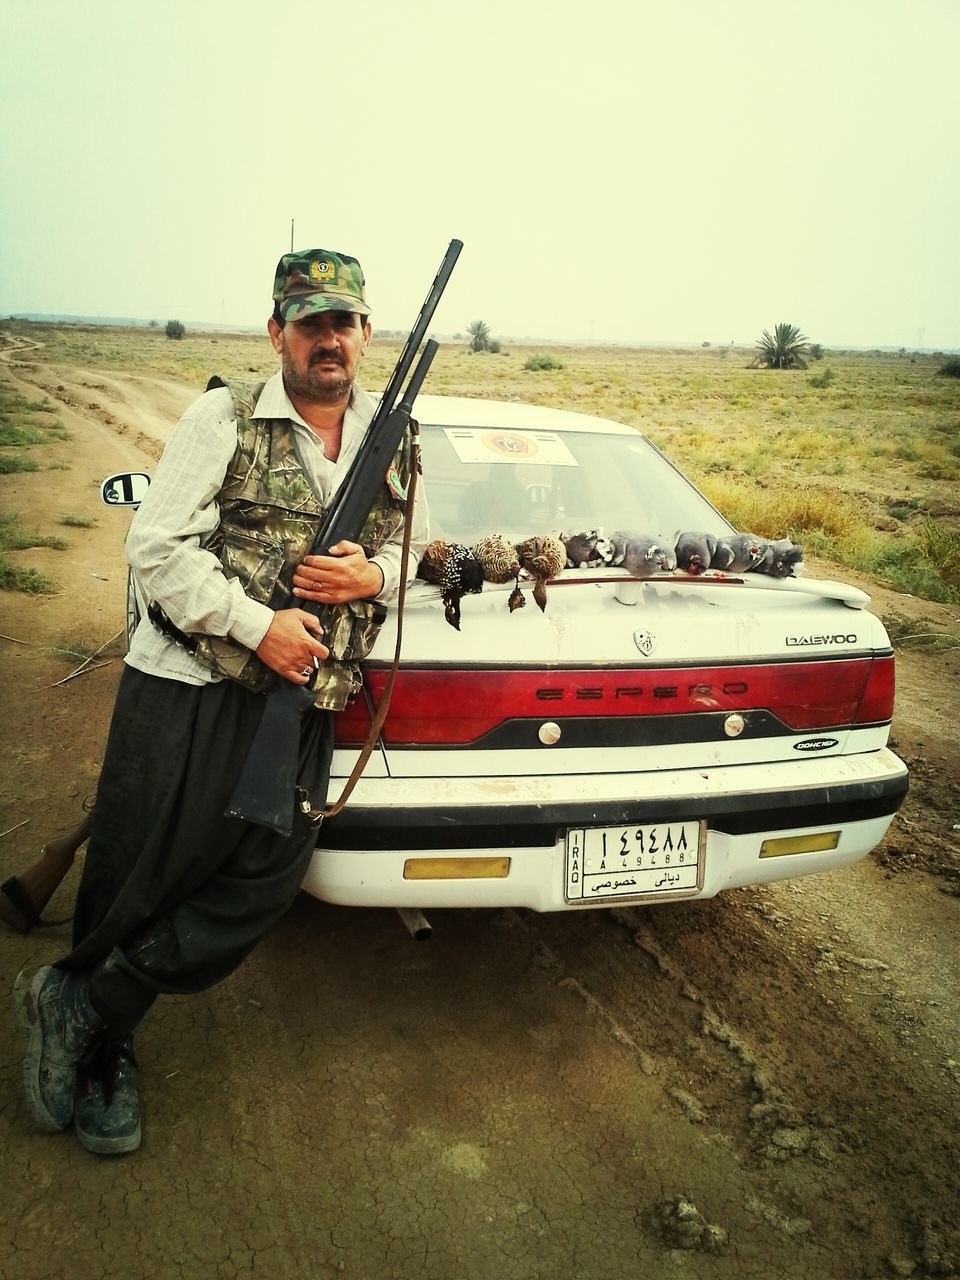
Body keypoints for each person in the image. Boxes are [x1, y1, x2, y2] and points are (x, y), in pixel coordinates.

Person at [13, 248, 429, 1156]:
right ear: (276, 330)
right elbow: (156, 548)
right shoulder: (225, 415)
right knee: (139, 872)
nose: (329, 338)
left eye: (344, 322)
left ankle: (82, 1003)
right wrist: (257, 624)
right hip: (191, 688)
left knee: (263, 880)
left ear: (366, 334)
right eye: (310, 320)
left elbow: (413, 553)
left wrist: (373, 573)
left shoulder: (392, 437)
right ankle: (105, 1057)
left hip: (308, 699)